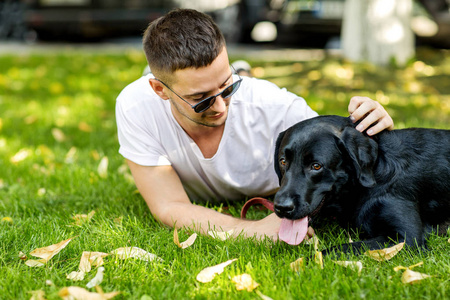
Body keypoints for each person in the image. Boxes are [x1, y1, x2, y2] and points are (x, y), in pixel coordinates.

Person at [115, 8, 394, 243]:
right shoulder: (136, 105)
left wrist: (379, 130)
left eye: (227, 86)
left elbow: (338, 155)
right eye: (200, 99)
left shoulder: (277, 107)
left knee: (249, 96)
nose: (221, 107)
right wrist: (250, 230)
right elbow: (169, 205)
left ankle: (241, 73)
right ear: (159, 89)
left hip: (259, 106)